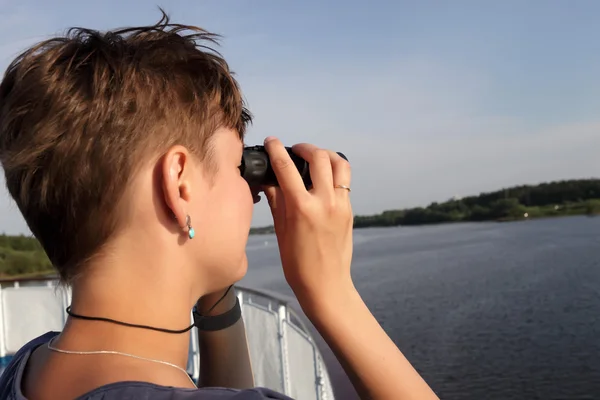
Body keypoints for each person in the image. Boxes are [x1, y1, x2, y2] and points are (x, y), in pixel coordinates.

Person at [0, 12, 439, 400]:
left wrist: (208, 273)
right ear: (180, 184)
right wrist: (331, 294)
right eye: (238, 167)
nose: (253, 192)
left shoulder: (28, 365)